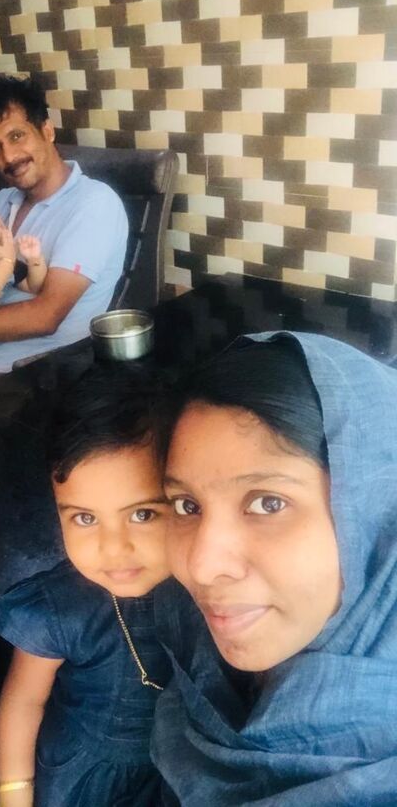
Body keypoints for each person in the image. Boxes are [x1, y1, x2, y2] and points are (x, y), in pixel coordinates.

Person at [153, 331, 397, 805]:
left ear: (376, 514)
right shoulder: (193, 650)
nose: (202, 567)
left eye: (268, 503)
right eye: (186, 505)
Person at [0, 366, 173, 806]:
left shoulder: (205, 586)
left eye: (143, 514)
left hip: (176, 767)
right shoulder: (61, 608)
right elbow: (23, 701)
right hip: (87, 778)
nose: (113, 549)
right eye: (85, 518)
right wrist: (14, 795)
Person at [0, 74, 128, 373]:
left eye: (17, 136)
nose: (9, 157)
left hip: (35, 374)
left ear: (47, 131)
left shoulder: (94, 203)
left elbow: (46, 316)